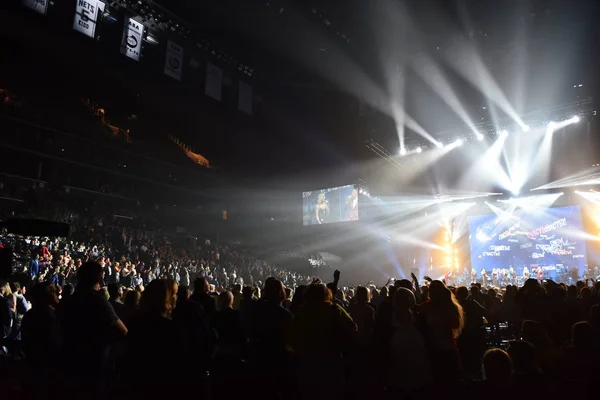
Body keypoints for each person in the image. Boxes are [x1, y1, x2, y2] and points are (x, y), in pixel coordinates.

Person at [58, 261, 127, 380]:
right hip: (96, 362)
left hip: (69, 361)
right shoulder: (99, 302)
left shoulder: (66, 301)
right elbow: (123, 330)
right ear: (100, 277)